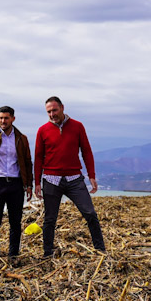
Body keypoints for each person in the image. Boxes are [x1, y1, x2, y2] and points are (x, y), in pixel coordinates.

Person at [33, 96, 106, 256]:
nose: (52, 114)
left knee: (90, 213)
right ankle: (47, 253)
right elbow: (38, 157)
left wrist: (91, 175)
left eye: (54, 110)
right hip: (51, 179)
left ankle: (100, 249)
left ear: (62, 108)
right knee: (50, 219)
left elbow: (86, 151)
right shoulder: (42, 130)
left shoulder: (77, 126)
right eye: (49, 112)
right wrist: (37, 182)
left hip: (74, 179)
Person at [0, 105, 33, 261]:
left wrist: (28, 184)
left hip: (16, 184)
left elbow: (28, 162)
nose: (3, 121)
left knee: (15, 222)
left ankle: (13, 254)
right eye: (1, 118)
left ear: (13, 119)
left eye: (6, 118)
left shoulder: (21, 138)